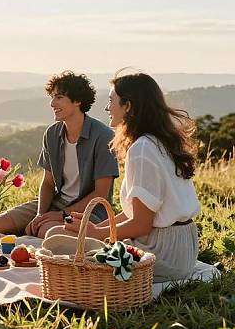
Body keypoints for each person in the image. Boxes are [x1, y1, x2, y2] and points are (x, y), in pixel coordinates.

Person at [51, 71, 201, 282]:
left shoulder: (142, 149)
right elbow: (136, 213)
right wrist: (93, 229)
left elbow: (141, 224)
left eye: (112, 100)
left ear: (128, 106)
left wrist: (95, 235)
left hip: (161, 252)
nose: (107, 107)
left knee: (73, 262)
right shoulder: (158, 141)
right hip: (181, 246)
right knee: (59, 237)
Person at [0, 71, 118, 238]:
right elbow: (47, 183)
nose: (52, 103)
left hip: (90, 212)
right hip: (55, 204)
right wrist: (40, 215)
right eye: (52, 98)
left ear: (77, 101)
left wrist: (61, 215)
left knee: (47, 231)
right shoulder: (52, 134)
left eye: (59, 97)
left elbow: (100, 194)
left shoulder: (103, 137)